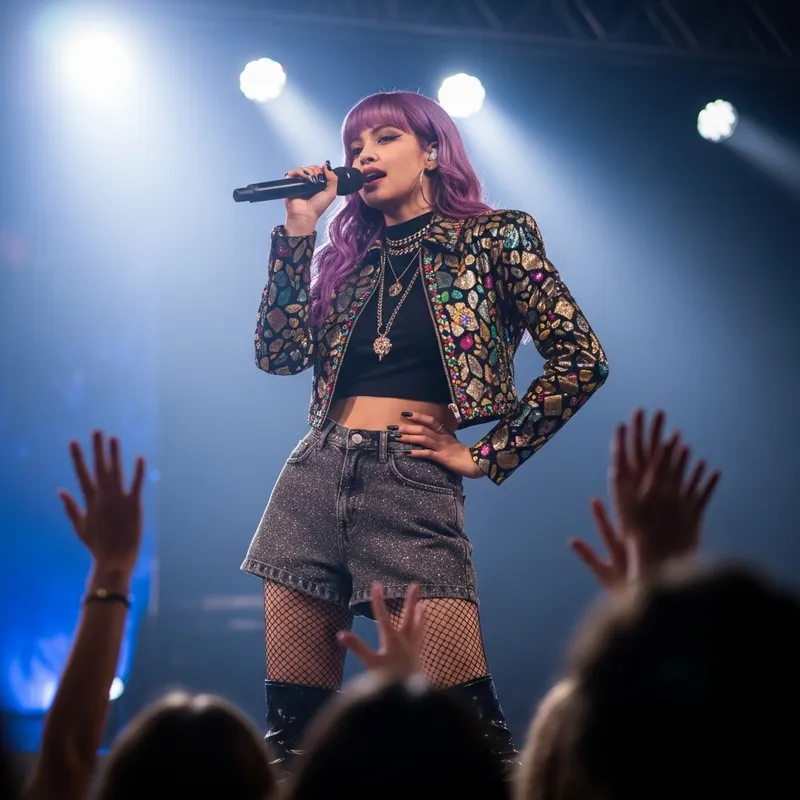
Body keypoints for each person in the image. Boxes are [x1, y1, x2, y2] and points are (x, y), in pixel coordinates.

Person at [241, 90, 609, 777]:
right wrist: (298, 231)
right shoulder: (346, 257)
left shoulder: (497, 236)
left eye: (383, 139)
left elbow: (581, 358)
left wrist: (487, 453)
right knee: (293, 743)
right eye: (355, 147)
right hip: (312, 478)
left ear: (433, 151)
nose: (365, 156)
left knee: (475, 737)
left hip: (409, 483)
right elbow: (278, 354)